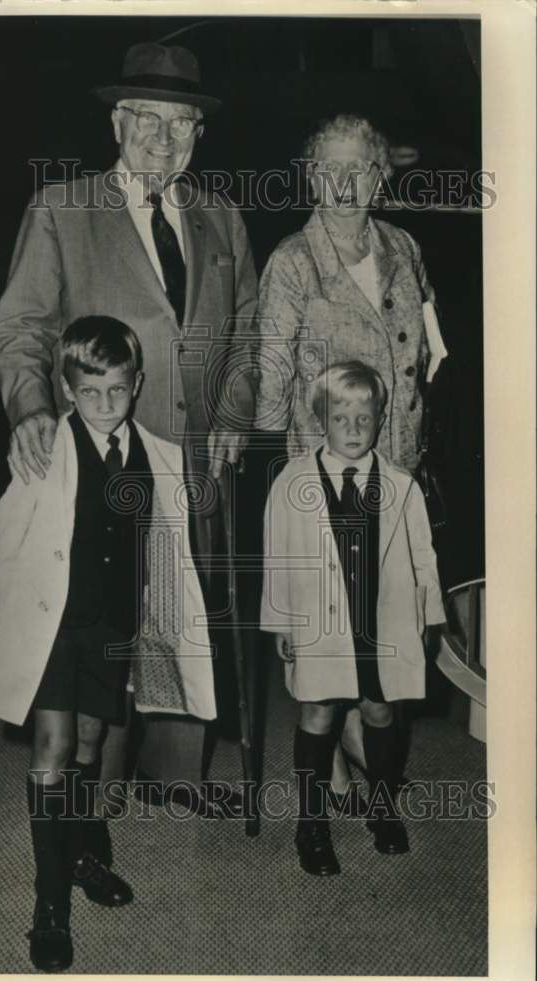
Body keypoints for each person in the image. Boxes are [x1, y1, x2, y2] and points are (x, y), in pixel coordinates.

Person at [0, 41, 258, 800]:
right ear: (116, 123)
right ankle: (94, 794)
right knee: (103, 619)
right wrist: (32, 406)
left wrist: (235, 410)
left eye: (178, 125)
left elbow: (248, 330)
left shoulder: (222, 218)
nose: (161, 139)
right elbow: (20, 328)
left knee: (181, 613)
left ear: (198, 135)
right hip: (97, 454)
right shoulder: (62, 210)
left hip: (198, 456)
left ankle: (172, 775)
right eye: (146, 121)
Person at [0, 317, 215, 970]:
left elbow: (167, 555)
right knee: (51, 747)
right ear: (66, 388)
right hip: (51, 623)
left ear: (137, 384)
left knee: (87, 744)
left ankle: (79, 852)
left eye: (117, 390)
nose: (105, 405)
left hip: (114, 629)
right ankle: (48, 903)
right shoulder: (44, 447)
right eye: (89, 391)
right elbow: (8, 531)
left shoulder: (161, 457)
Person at [254, 112, 445, 794]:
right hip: (324, 477)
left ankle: (363, 738)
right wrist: (274, 479)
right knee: (324, 631)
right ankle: (330, 748)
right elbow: (272, 370)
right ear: (309, 177)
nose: (342, 183)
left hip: (396, 469)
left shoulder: (403, 246)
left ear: (379, 176)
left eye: (357, 168)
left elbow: (424, 351)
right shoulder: (292, 260)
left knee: (384, 621)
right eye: (327, 169)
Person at [260, 361, 445, 876]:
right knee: (317, 714)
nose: (355, 429)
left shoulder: (402, 485)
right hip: (319, 621)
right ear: (322, 419)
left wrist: (428, 621)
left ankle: (383, 807)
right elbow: (276, 557)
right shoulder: (292, 482)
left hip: (381, 621)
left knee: (380, 711)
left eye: (366, 417)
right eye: (342, 418)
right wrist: (280, 622)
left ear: (381, 419)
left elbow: (423, 558)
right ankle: (311, 823)